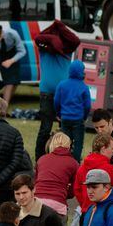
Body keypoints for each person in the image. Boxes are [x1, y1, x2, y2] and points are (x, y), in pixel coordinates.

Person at [32, 20, 80, 159]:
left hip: (63, 94)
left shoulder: (67, 48)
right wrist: (55, 36)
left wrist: (59, 27)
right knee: (45, 128)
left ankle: (65, 158)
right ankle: (39, 159)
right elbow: (38, 38)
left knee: (65, 129)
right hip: (48, 93)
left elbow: (75, 40)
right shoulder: (44, 47)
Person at [34, 131, 79, 217]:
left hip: (37, 202)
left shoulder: (42, 159)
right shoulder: (73, 163)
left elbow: (35, 182)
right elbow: (74, 188)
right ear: (68, 145)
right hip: (58, 203)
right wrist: (66, 192)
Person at [74, 134, 113, 213]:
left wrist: (85, 205)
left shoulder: (82, 167)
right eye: (112, 148)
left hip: (85, 211)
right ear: (103, 149)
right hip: (103, 212)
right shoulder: (110, 169)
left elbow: (77, 190)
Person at [53, 59, 91, 161]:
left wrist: (59, 114)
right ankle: (75, 162)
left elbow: (56, 101)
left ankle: (64, 161)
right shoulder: (84, 87)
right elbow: (87, 105)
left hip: (65, 118)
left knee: (65, 142)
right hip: (78, 119)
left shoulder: (62, 84)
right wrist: (84, 117)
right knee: (78, 143)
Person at [0, 25, 27, 103]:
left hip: (13, 58)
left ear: (1, 34)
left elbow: (22, 51)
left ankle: (4, 103)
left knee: (15, 83)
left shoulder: (12, 34)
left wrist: (11, 61)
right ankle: (3, 107)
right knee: (9, 82)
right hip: (1, 61)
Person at [90, 109, 113, 188]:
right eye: (96, 128)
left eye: (102, 126)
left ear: (110, 122)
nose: (99, 131)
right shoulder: (98, 140)